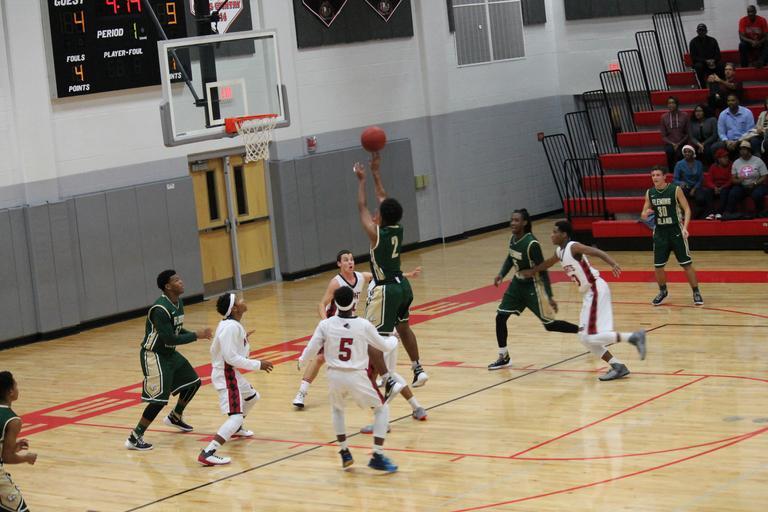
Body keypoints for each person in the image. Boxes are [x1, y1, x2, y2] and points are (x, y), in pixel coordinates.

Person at [292, 249, 424, 424]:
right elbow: (321, 304)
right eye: (346, 260)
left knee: (372, 371)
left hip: (349, 325)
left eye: (351, 259)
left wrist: (408, 275)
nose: (350, 262)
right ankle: (301, 393)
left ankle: (388, 407)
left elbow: (385, 277)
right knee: (321, 358)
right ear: (339, 264)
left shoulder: (361, 278)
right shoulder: (336, 282)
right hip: (337, 324)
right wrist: (327, 322)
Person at [522, 221, 647, 381]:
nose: (551, 235)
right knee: (584, 338)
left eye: (555, 232)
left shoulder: (573, 247)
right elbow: (549, 262)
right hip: (588, 294)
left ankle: (633, 337)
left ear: (564, 234)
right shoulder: (559, 251)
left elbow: (595, 251)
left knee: (591, 336)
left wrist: (612, 263)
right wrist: (533, 271)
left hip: (596, 289)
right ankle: (618, 366)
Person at [298, 286, 399, 473]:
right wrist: (394, 338)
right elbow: (384, 346)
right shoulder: (363, 325)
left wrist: (302, 360)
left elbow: (312, 348)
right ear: (354, 302)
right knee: (381, 409)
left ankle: (344, 451)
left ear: (335, 304)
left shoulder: (325, 324)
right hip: (356, 374)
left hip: (334, 375)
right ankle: (377, 455)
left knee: (337, 410)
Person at [353, 152, 428, 389]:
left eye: (378, 213)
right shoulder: (398, 228)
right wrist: (376, 172)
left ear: (382, 217)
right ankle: (418, 368)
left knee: (371, 337)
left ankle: (387, 379)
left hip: (385, 290)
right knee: (403, 327)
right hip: (403, 286)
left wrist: (362, 180)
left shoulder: (377, 235)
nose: (375, 214)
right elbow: (383, 199)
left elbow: (362, 207)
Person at [125, 270, 212, 451]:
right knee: (158, 400)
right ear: (167, 286)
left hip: (169, 354)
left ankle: (175, 416)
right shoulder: (160, 309)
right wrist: (196, 335)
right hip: (154, 355)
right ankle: (135, 437)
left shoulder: (178, 302)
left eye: (180, 278)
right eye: (176, 280)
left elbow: (176, 331)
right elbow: (170, 338)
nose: (181, 282)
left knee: (193, 383)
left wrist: (197, 335)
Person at [488, 209, 580, 370]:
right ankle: (504, 356)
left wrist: (549, 296)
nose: (513, 223)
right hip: (517, 285)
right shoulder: (512, 239)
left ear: (524, 222)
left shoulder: (532, 244)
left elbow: (543, 270)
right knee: (500, 317)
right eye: (512, 220)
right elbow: (510, 257)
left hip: (533, 286)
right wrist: (501, 274)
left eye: (516, 220)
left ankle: (584, 331)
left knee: (550, 325)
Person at [198, 293, 274, 466]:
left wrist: (244, 340)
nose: (243, 300)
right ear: (234, 309)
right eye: (239, 300)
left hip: (230, 372)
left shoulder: (231, 325)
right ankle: (208, 452)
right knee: (236, 417)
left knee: (252, 397)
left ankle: (236, 429)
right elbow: (231, 358)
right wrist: (258, 364)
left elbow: (230, 353)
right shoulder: (230, 327)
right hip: (226, 375)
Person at [641, 166, 703, 306]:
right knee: (658, 266)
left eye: (658, 175)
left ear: (664, 176)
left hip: (676, 230)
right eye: (653, 175)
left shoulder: (675, 189)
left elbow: (687, 209)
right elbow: (643, 214)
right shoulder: (650, 192)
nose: (655, 178)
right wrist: (645, 214)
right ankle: (663, 291)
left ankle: (696, 291)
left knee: (686, 264)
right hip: (660, 232)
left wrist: (685, 228)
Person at [0, 371, 36, 512]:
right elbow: (7, 457)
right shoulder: (13, 420)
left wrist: (13, 447)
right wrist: (26, 458)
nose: (17, 389)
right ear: (10, 392)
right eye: (16, 386)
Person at [727, 140, 768, 214]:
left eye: (744, 149)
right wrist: (739, 181)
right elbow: (733, 179)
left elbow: (764, 176)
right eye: (741, 150)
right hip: (742, 186)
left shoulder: (758, 160)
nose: (742, 151)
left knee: (757, 194)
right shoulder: (736, 162)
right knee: (733, 193)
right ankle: (731, 213)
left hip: (756, 185)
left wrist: (755, 183)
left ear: (749, 150)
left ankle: (760, 212)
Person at [714, 94, 758, 158]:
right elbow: (721, 133)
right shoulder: (723, 114)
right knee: (715, 147)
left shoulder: (747, 112)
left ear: (738, 101)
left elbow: (750, 131)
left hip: (743, 140)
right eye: (728, 101)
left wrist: (738, 141)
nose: (730, 102)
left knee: (753, 142)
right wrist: (727, 141)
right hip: (728, 141)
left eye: (733, 100)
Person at [673, 145, 706, 218]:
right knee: (682, 194)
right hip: (685, 186)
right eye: (685, 152)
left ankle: (696, 215)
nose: (687, 153)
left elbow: (700, 179)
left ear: (693, 153)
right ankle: (683, 213)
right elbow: (675, 179)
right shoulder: (679, 164)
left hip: (696, 186)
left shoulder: (699, 163)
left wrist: (694, 189)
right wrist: (681, 183)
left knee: (701, 198)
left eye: (689, 152)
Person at [701, 148, 733, 220]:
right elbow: (708, 180)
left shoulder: (731, 165)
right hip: (715, 186)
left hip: (726, 186)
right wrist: (714, 187)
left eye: (727, 157)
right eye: (724, 157)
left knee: (724, 191)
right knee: (707, 191)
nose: (727, 159)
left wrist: (722, 187)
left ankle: (720, 212)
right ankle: (711, 213)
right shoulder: (713, 167)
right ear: (719, 159)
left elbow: (731, 180)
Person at [661, 96, 690, 171]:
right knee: (669, 151)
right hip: (670, 143)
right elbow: (663, 136)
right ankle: (672, 172)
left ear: (677, 104)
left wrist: (679, 143)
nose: (671, 105)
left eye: (673, 103)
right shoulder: (664, 117)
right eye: (669, 103)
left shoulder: (685, 115)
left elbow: (688, 133)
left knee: (680, 153)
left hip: (682, 142)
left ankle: (683, 171)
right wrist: (672, 144)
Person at [689, 23, 723, 88]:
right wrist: (705, 61)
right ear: (697, 31)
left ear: (706, 31)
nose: (701, 32)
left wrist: (713, 60)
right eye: (700, 30)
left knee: (721, 65)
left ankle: (722, 84)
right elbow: (693, 57)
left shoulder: (713, 40)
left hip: (713, 62)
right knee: (698, 66)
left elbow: (718, 54)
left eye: (703, 30)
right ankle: (702, 87)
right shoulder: (693, 42)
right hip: (701, 63)